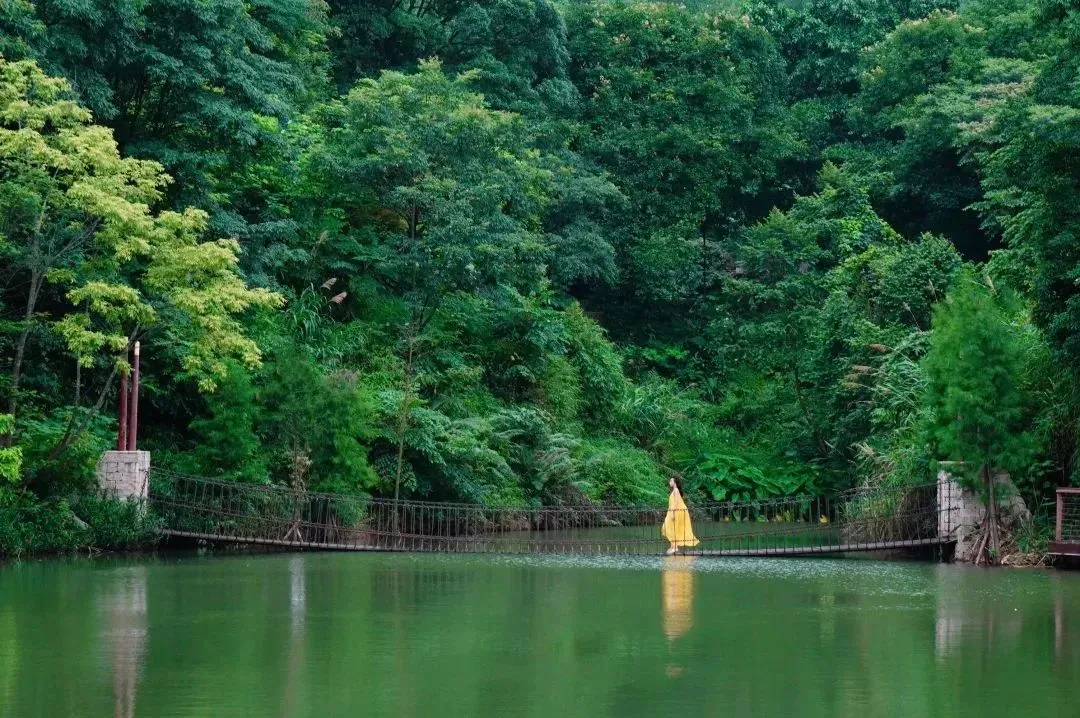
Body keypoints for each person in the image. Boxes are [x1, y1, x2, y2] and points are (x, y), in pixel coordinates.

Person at [662, 477, 699, 555]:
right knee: (669, 527)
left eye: (671, 480)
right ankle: (673, 546)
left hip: (677, 511)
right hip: (673, 511)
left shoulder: (676, 490)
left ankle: (674, 547)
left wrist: (674, 513)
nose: (669, 481)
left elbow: (677, 502)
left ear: (674, 482)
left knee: (671, 527)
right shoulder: (674, 491)